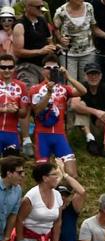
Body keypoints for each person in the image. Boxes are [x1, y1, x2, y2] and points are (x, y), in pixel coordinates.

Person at [13, 0, 57, 158]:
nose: (41, 10)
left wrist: (54, 47)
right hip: (27, 67)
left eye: (42, 7)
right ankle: (25, 141)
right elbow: (17, 51)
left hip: (45, 67)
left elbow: (49, 41)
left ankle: (44, 137)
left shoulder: (43, 21)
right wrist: (40, 51)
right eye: (38, 7)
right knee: (27, 103)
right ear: (28, 7)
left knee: (47, 100)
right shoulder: (19, 25)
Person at [30, 53, 86, 178]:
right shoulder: (35, 89)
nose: (51, 71)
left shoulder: (64, 88)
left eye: (54, 68)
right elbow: (37, 111)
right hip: (42, 135)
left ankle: (62, 195)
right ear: (43, 70)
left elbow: (83, 91)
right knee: (43, 176)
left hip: (60, 135)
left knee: (72, 174)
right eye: (48, 68)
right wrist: (49, 93)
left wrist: (68, 76)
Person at [52, 0, 105, 81]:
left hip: (88, 53)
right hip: (68, 55)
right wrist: (60, 38)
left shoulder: (89, 7)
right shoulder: (60, 11)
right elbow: (54, 28)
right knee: (71, 84)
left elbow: (94, 29)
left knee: (87, 84)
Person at [70, 61, 105, 156]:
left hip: (103, 123)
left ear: (100, 76)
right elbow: (74, 104)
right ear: (85, 76)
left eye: (96, 74)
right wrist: (96, 112)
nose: (93, 77)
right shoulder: (82, 87)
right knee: (80, 105)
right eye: (90, 74)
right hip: (88, 125)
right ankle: (90, 140)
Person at [14, 162, 62, 241]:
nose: (57, 177)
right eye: (54, 174)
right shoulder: (31, 196)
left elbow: (58, 221)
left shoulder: (58, 195)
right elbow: (19, 220)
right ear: (45, 178)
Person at [0, 53, 29, 156]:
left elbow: (24, 113)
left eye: (10, 67)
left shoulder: (22, 86)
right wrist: (3, 110)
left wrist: (16, 110)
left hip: (11, 133)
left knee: (11, 168)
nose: (7, 70)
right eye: (3, 67)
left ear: (15, 68)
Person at [56, 158, 85, 241]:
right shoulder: (49, 208)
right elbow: (46, 189)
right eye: (61, 195)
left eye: (66, 195)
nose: (63, 198)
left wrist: (65, 174)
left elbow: (82, 192)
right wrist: (58, 177)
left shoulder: (71, 210)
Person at [0, 156, 24, 241]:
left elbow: (13, 216)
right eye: (19, 173)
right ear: (9, 173)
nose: (22, 175)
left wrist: (6, 239)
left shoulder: (18, 190)